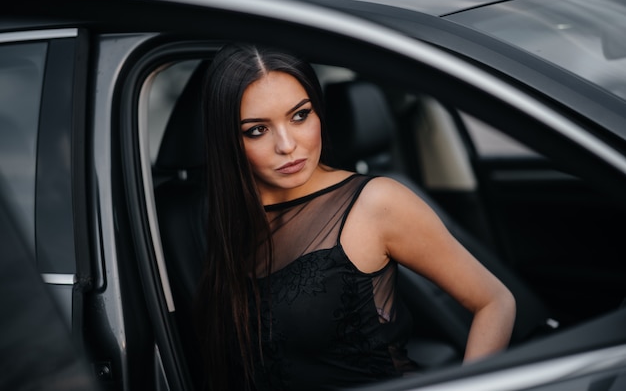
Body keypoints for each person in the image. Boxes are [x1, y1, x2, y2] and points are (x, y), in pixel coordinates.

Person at [194, 43, 516, 391]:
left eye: (300, 115)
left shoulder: (375, 203)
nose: (287, 145)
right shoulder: (223, 220)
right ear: (228, 140)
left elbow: (494, 302)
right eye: (257, 130)